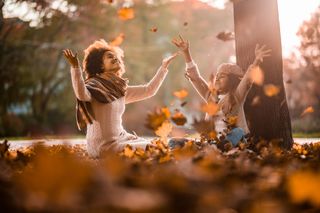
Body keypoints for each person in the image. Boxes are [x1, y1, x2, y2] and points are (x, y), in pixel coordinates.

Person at [63, 39, 177, 158]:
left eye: (116, 57)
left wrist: (163, 68)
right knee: (155, 149)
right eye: (109, 56)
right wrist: (75, 68)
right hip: (103, 146)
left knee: (158, 145)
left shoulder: (118, 90)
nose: (116, 58)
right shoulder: (93, 87)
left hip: (122, 138)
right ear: (100, 64)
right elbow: (81, 94)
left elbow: (149, 90)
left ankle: (186, 147)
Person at [172, 35, 271, 146]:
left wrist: (257, 60)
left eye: (223, 76)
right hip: (211, 141)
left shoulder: (237, 95)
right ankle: (213, 148)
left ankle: (220, 147)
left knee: (238, 132)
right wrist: (186, 53)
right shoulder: (210, 96)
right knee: (174, 142)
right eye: (217, 75)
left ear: (232, 80)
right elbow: (196, 78)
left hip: (231, 141)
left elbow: (248, 79)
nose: (217, 78)